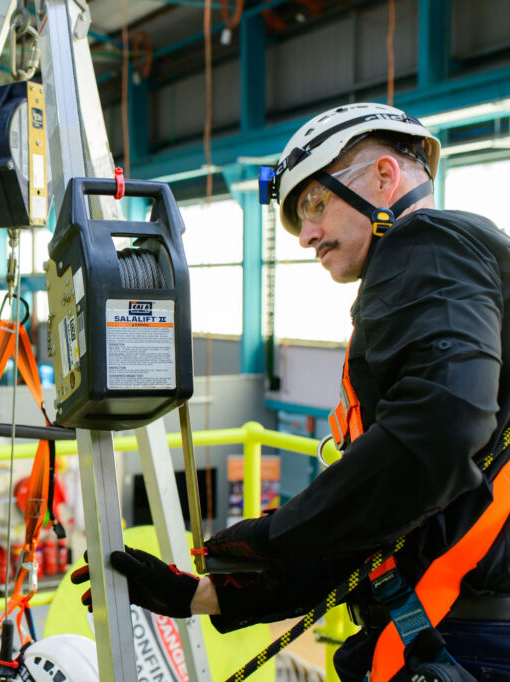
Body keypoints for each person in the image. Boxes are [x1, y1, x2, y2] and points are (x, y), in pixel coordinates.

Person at [72, 102, 510, 681]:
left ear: (385, 177)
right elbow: (381, 524)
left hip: (457, 639)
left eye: (314, 203)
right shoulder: (444, 277)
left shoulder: (429, 241)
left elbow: (441, 431)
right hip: (442, 633)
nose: (305, 235)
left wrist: (277, 536)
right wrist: (197, 596)